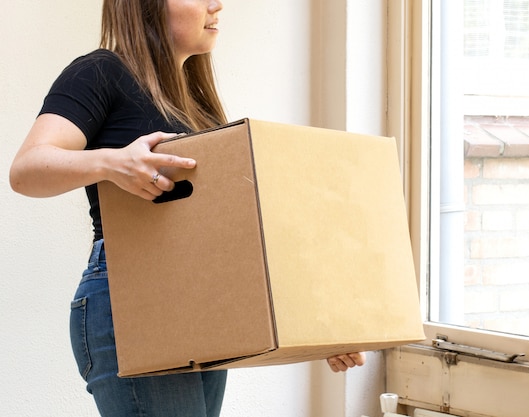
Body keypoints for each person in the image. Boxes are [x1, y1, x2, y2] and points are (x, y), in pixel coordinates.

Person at [10, 1, 365, 416]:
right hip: (131, 300)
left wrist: (323, 326)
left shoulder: (198, 105)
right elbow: (26, 170)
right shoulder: (100, 72)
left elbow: (244, 232)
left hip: (196, 298)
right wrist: (112, 162)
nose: (217, 5)